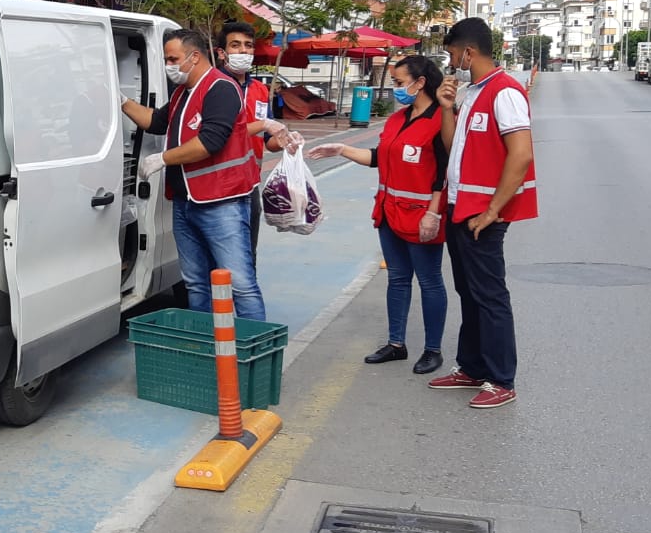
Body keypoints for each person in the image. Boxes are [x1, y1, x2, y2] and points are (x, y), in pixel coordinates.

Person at [121, 29, 288, 321]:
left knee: (241, 285)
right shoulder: (182, 94)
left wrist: (162, 158)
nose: (168, 65)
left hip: (221, 203)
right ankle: (206, 349)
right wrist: (121, 100)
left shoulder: (220, 89)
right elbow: (155, 122)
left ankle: (251, 358)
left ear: (194, 57)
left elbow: (210, 142)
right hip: (186, 204)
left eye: (172, 59)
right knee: (196, 284)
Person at [308, 56, 449, 375]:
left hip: (422, 215)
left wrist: (433, 213)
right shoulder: (398, 120)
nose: (396, 90)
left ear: (420, 82)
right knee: (398, 278)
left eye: (399, 84)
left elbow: (444, 172)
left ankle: (433, 350)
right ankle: (396, 343)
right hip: (389, 212)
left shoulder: (441, 120)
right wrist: (342, 149)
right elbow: (378, 158)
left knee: (429, 281)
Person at [431, 17, 537, 409]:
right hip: (460, 208)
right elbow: (452, 146)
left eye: (452, 53)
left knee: (490, 296)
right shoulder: (473, 92)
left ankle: (500, 378)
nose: (451, 60)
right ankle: (472, 367)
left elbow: (521, 154)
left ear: (468, 52)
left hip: (482, 214)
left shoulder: (505, 92)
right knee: (469, 292)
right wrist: (445, 108)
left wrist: (493, 211)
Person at [213, 22, 296, 260]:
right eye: (236, 45)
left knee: (248, 254)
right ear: (222, 52)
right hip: (216, 185)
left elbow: (269, 142)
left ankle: (243, 297)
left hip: (249, 185)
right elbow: (215, 133)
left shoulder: (260, 90)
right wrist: (262, 125)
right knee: (218, 258)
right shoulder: (211, 86)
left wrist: (285, 139)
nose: (243, 51)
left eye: (248, 46)